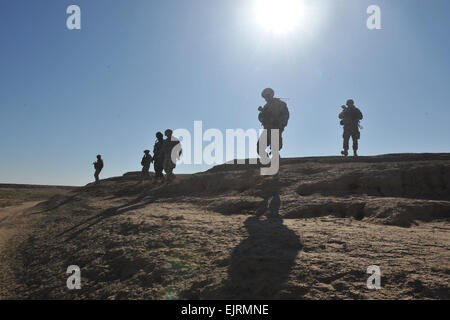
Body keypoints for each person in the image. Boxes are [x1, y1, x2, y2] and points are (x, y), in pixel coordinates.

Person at [256, 88, 290, 158]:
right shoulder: (266, 106)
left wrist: (280, 125)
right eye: (265, 97)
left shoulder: (280, 104)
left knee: (275, 149)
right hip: (267, 129)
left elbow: (285, 115)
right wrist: (262, 117)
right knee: (259, 148)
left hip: (276, 128)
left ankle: (278, 164)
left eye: (267, 96)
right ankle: (267, 161)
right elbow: (261, 117)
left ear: (271, 95)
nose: (266, 98)